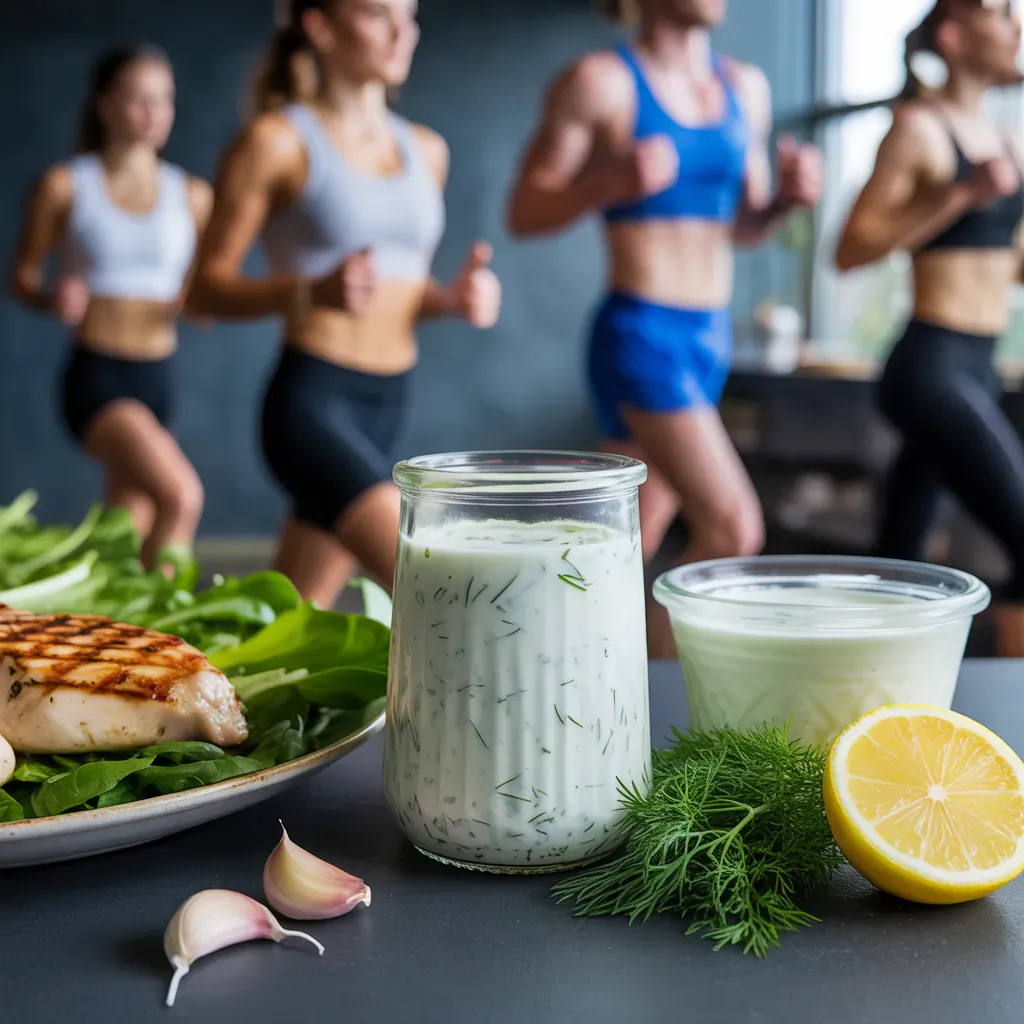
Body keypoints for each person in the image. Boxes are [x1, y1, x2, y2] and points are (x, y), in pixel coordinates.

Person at [507, 0, 821, 654]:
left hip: (709, 336)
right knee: (733, 528)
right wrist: (611, 181)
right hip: (642, 335)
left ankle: (552, 666)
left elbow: (742, 225)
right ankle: (642, 688)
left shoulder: (746, 88)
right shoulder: (602, 82)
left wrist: (784, 204)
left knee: (626, 544)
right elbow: (525, 209)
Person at [188, 0, 501, 607]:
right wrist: (310, 291)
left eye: (409, 15)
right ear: (321, 26)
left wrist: (450, 299)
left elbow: (401, 290)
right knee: (436, 590)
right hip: (312, 404)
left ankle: (217, 673)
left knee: (291, 618)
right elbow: (204, 290)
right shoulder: (275, 142)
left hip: (389, 401)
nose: (401, 31)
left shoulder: (427, 150)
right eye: (378, 14)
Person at [835, 0, 1024, 655]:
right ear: (953, 34)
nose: (1018, 26)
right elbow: (851, 248)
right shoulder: (918, 129)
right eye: (1001, 13)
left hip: (980, 364)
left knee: (900, 558)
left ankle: (867, 695)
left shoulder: (1005, 138)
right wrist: (959, 194)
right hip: (931, 368)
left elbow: (1009, 264)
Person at [11, 46, 212, 571]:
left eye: (164, 99)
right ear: (105, 105)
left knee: (126, 533)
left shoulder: (192, 195)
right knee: (181, 497)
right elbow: (22, 278)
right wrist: (52, 296)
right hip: (99, 376)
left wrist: (198, 304)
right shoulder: (66, 185)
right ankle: (171, 622)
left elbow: (203, 301)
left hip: (158, 376)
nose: (153, 112)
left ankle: (107, 617)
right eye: (138, 98)